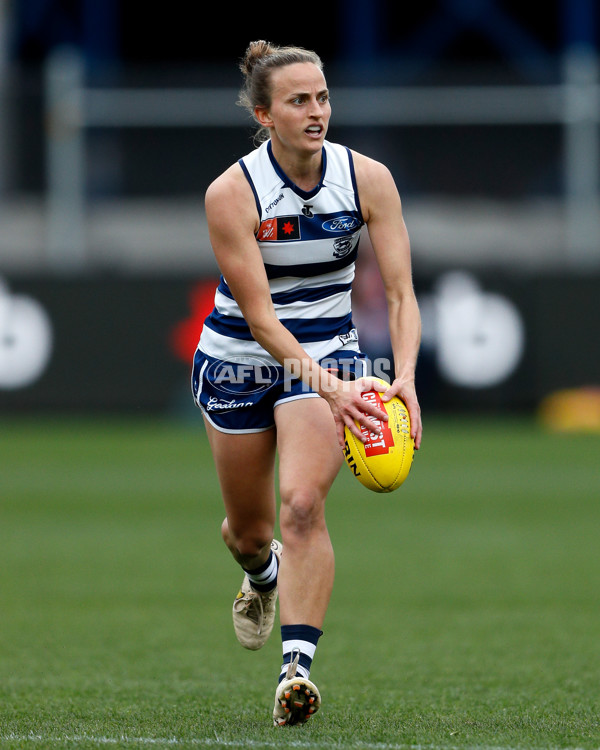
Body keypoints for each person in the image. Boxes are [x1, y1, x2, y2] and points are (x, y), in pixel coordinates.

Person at [191, 40, 423, 727]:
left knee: (300, 506)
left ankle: (296, 671)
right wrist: (329, 387)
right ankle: (261, 576)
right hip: (241, 357)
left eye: (322, 97)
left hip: (332, 350)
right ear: (265, 114)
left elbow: (405, 294)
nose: (316, 111)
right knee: (250, 531)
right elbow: (261, 321)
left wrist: (401, 377)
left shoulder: (368, 178)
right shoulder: (232, 193)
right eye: (298, 101)